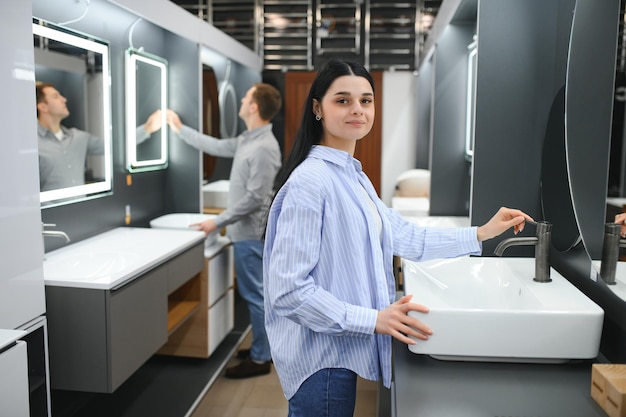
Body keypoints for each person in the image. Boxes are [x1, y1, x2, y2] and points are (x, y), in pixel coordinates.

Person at [263, 60, 534, 417]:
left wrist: (482, 233)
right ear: (318, 108)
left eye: (366, 100)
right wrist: (374, 319)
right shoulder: (311, 182)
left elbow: (406, 237)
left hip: (335, 352)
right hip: (321, 362)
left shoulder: (354, 178)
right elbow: (288, 291)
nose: (357, 110)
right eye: (342, 100)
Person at [166, 82, 282, 378]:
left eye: (246, 96)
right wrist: (179, 128)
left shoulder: (265, 148)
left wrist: (216, 222)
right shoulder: (248, 139)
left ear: (254, 106)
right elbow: (216, 146)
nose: (242, 100)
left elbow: (255, 198)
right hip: (242, 232)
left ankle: (259, 360)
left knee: (255, 297)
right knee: (255, 294)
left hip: (252, 234)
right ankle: (261, 349)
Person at [36, 81, 162, 191]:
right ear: (43, 107)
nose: (64, 99)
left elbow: (115, 145)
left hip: (80, 211)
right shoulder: (31, 144)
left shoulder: (78, 138)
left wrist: (147, 128)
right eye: (55, 97)